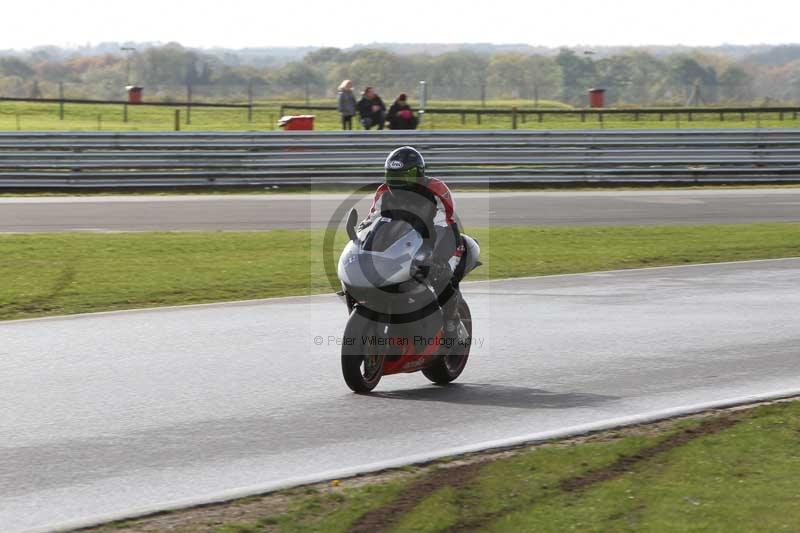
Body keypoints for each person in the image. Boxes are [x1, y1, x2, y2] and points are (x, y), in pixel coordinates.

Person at [358, 146, 466, 345]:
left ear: (419, 174)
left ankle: (452, 323)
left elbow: (445, 223)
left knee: (440, 273)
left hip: (440, 238)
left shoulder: (436, 189)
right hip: (405, 242)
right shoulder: (384, 192)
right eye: (393, 176)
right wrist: (359, 240)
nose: (398, 182)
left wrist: (435, 254)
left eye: (405, 176)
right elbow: (372, 220)